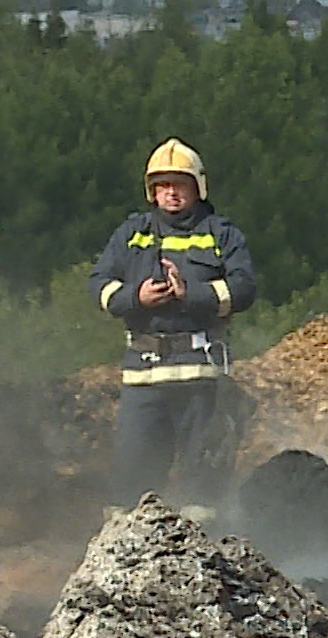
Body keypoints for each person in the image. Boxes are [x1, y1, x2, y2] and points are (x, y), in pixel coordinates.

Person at [89, 138, 257, 512]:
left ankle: (204, 540)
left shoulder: (220, 233)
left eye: (179, 184)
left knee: (202, 483)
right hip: (142, 376)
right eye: (162, 185)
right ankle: (129, 542)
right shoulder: (132, 233)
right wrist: (136, 297)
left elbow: (244, 288)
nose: (171, 193)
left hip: (199, 374)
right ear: (151, 191)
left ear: (198, 187)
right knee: (131, 479)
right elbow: (99, 284)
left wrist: (191, 293)